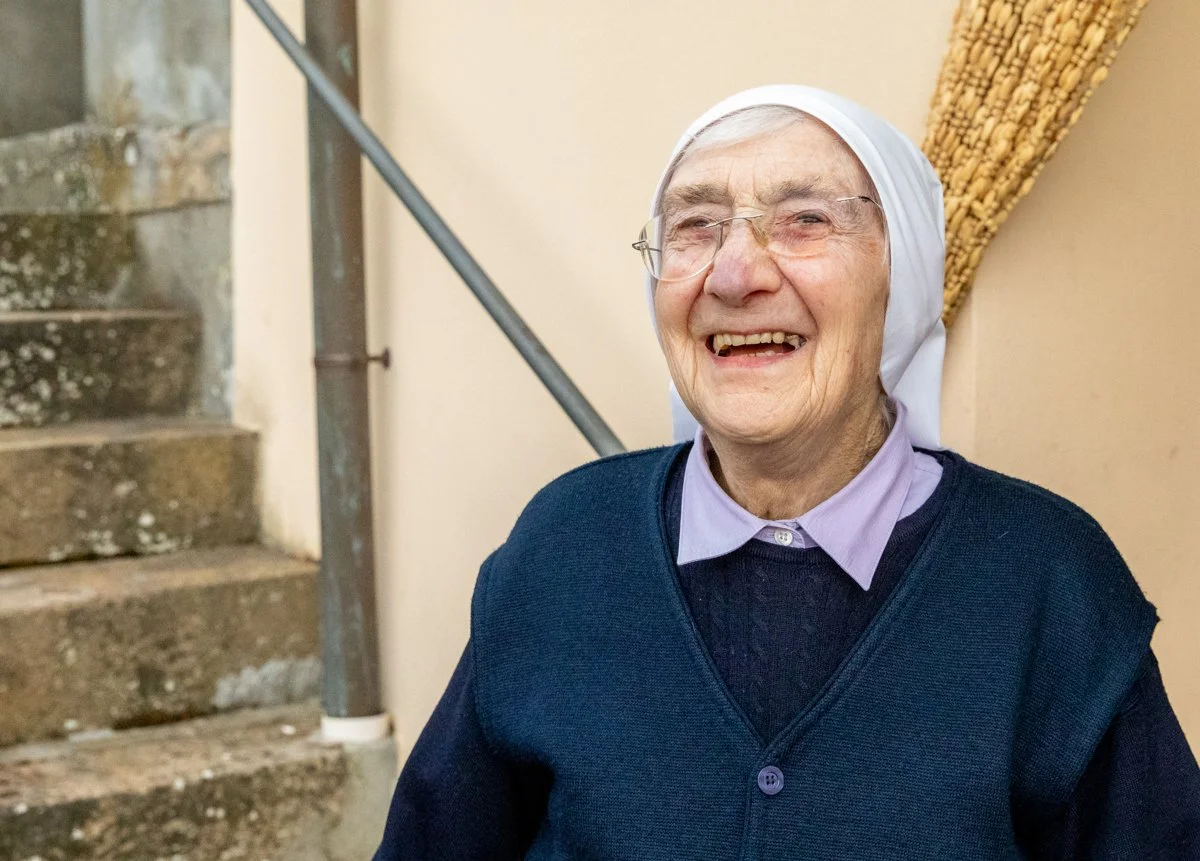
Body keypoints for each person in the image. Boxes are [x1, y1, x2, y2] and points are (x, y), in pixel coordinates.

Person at [374, 86, 1200, 859]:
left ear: (903, 273)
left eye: (806, 220)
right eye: (695, 226)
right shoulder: (561, 548)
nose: (736, 274)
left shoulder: (1048, 580)